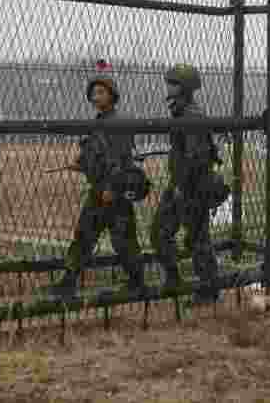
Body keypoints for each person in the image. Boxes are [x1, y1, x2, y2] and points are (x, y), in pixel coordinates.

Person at [49, 60, 146, 297]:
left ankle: (137, 281)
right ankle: (69, 281)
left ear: (112, 95)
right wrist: (80, 164)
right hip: (100, 190)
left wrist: (112, 188)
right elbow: (96, 155)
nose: (95, 96)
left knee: (122, 240)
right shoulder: (98, 122)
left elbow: (120, 159)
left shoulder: (118, 123)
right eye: (93, 92)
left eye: (101, 92)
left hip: (114, 191)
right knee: (85, 236)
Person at [151, 63, 227, 304]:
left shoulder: (191, 115)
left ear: (183, 87)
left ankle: (206, 289)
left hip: (189, 186)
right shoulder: (183, 112)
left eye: (173, 83)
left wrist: (181, 188)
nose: (168, 87)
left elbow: (196, 157)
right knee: (177, 235)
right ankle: (186, 281)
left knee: (192, 238)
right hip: (184, 184)